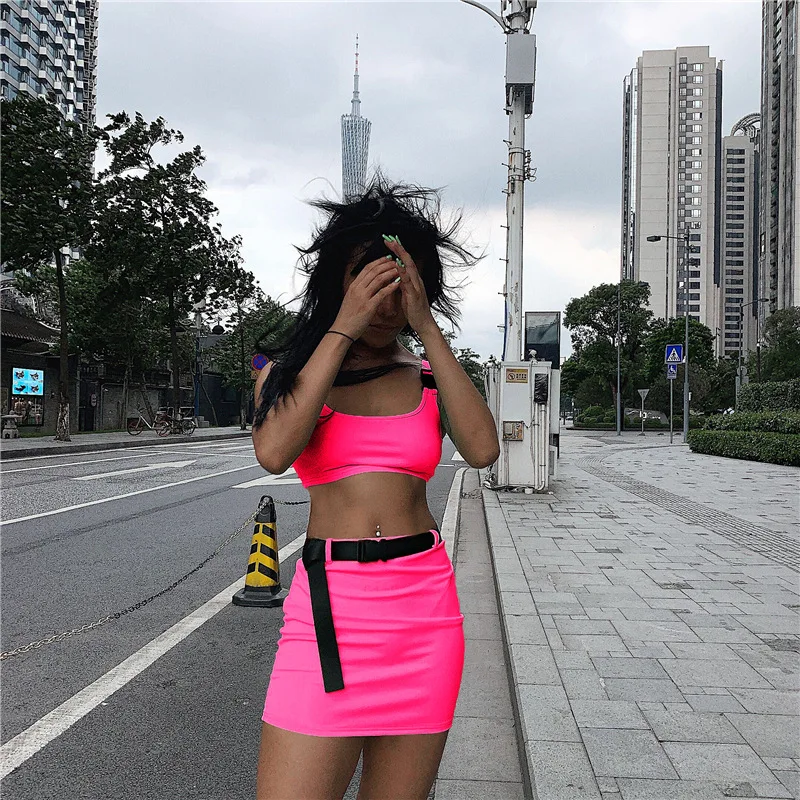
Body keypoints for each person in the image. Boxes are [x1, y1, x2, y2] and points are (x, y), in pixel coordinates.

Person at [251, 171, 500, 800]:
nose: (386, 300)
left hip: (424, 615)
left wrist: (428, 327)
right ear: (338, 280)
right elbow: (274, 453)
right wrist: (343, 327)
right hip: (330, 614)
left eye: (401, 281)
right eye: (371, 279)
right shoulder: (288, 374)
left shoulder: (427, 375)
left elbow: (483, 449)